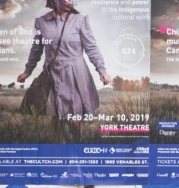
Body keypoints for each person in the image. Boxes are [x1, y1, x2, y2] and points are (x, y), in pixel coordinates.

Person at [17, 0, 111, 143]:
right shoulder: (41, 22)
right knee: (55, 115)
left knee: (75, 118)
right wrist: (27, 71)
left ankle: (75, 148)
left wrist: (101, 70)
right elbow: (36, 49)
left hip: (76, 74)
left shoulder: (80, 20)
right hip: (52, 74)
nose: (70, 0)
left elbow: (91, 47)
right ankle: (58, 149)